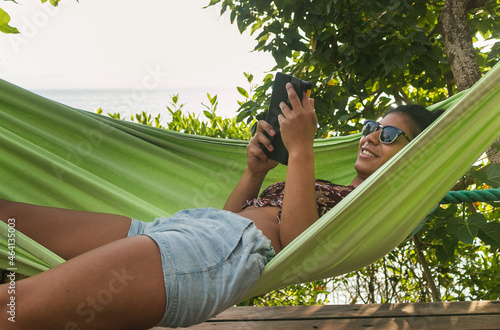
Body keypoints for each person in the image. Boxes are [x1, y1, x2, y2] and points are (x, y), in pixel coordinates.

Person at [0, 83, 442, 329]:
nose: (369, 137)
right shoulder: (323, 184)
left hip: (205, 259)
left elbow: (296, 240)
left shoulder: (371, 206)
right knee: (9, 218)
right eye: (371, 127)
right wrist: (255, 172)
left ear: (414, 155)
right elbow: (230, 220)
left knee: (12, 307)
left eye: (388, 135)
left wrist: (303, 149)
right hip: (187, 230)